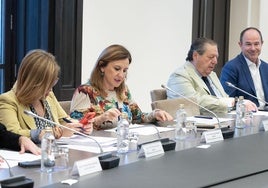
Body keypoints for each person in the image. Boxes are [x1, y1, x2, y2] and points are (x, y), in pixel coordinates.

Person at [70, 44, 173, 130]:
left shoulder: (123, 91)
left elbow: (138, 117)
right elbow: (75, 127)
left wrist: (155, 114)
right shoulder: (85, 91)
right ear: (102, 66)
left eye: (125, 70)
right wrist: (101, 118)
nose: (121, 75)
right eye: (117, 69)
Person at [0, 49, 93, 144]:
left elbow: (64, 120)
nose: (50, 91)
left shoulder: (49, 96)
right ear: (33, 83)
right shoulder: (8, 100)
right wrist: (56, 133)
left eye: (52, 85)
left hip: (56, 152)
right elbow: (12, 134)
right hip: (33, 155)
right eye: (46, 87)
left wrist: (80, 126)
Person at [166, 37, 258, 115]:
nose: (215, 61)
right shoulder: (179, 76)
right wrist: (235, 102)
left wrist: (237, 105)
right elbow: (194, 102)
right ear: (195, 55)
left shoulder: (212, 75)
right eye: (211, 57)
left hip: (220, 122)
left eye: (216, 57)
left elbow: (224, 98)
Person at [220, 27, 268, 110]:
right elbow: (227, 99)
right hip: (246, 117)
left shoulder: (266, 67)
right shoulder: (231, 67)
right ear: (240, 45)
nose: (253, 48)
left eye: (256, 44)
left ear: (262, 44)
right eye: (248, 44)